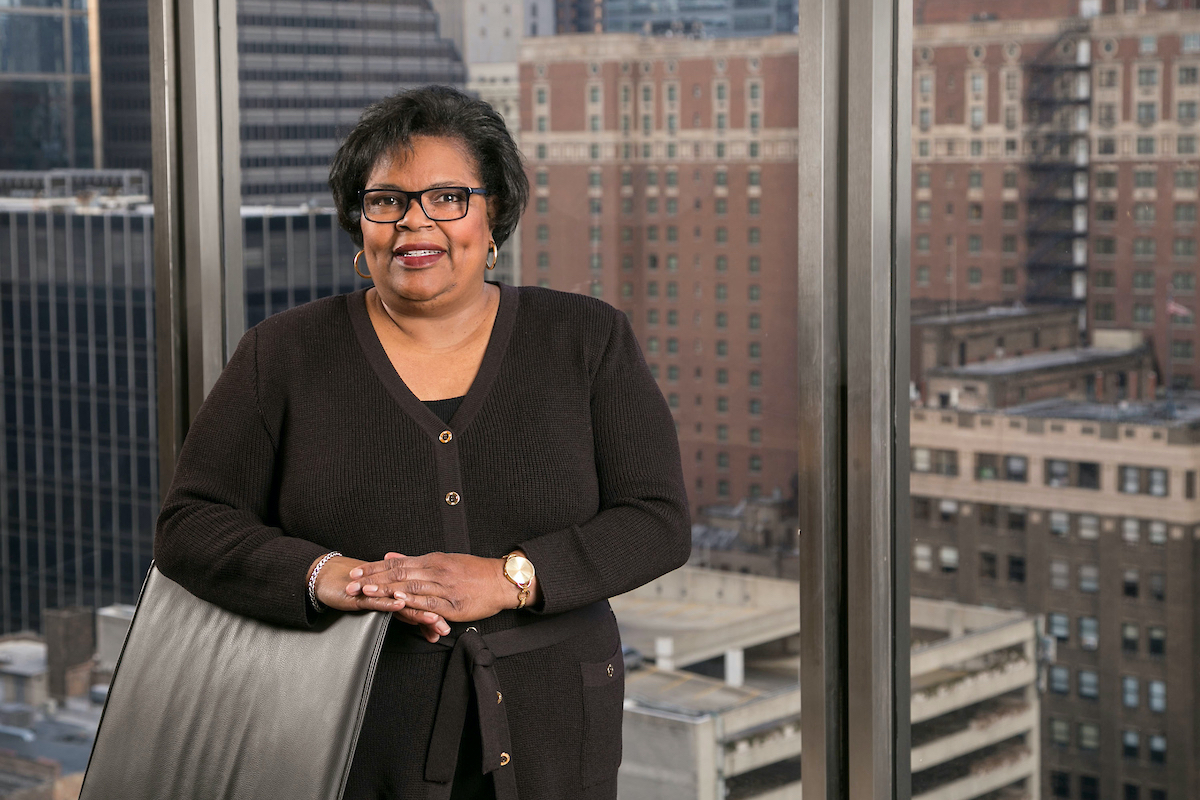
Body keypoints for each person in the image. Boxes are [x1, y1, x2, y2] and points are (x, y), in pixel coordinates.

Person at [154, 85, 691, 800]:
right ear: (359, 224)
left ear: (492, 212)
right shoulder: (281, 354)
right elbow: (190, 525)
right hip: (346, 737)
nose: (415, 223)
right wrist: (327, 574)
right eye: (387, 201)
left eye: (447, 197)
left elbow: (656, 518)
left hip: (553, 738)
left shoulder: (587, 340)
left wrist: (510, 578)